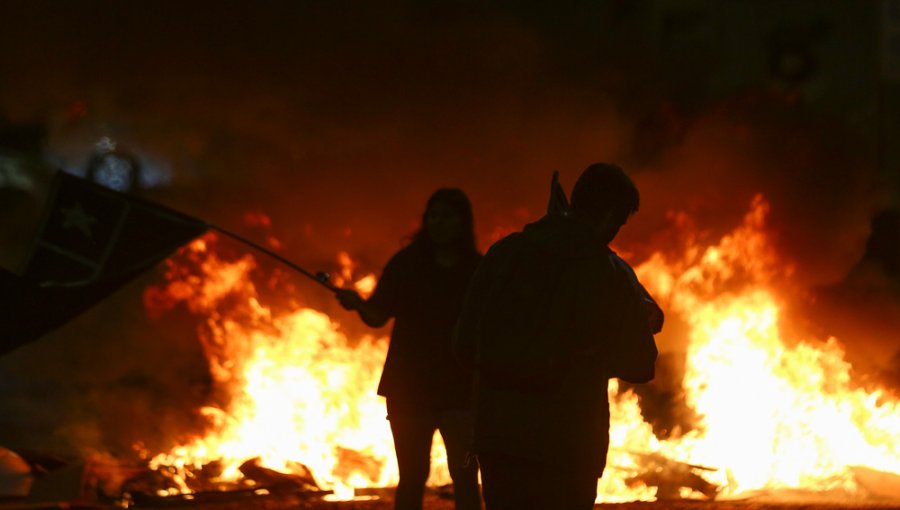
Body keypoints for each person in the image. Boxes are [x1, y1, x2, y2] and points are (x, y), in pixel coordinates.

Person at [454, 163, 660, 510]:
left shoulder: (504, 254)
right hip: (571, 447)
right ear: (610, 215)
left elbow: (462, 346)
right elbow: (641, 364)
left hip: (502, 440)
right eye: (620, 222)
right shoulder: (611, 273)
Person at [336, 188, 483, 510]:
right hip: (410, 388)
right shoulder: (407, 264)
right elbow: (377, 315)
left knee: (466, 475)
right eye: (433, 216)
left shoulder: (477, 269)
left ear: (462, 222)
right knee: (413, 475)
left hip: (459, 387)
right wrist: (357, 304)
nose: (439, 223)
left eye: (447, 216)